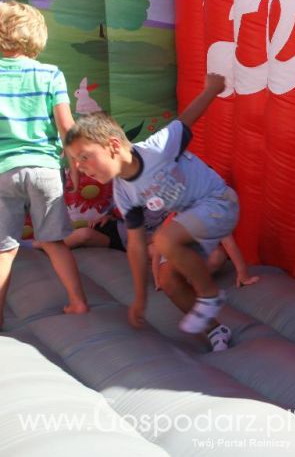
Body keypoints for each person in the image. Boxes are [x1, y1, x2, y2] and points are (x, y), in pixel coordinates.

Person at [63, 74, 238, 351]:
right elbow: (134, 245)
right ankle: (216, 330)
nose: (81, 167)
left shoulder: (157, 148)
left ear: (113, 146)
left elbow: (187, 119)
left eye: (85, 157)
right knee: (169, 280)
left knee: (164, 238)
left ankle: (209, 294)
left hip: (217, 201)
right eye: (76, 161)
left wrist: (212, 89)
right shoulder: (123, 191)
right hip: (191, 218)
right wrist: (140, 299)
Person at [0, 0, 89, 329]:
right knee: (53, 241)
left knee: (4, 250)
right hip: (44, 169)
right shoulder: (50, 73)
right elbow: (67, 126)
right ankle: (78, 302)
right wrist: (76, 163)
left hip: (4, 169)